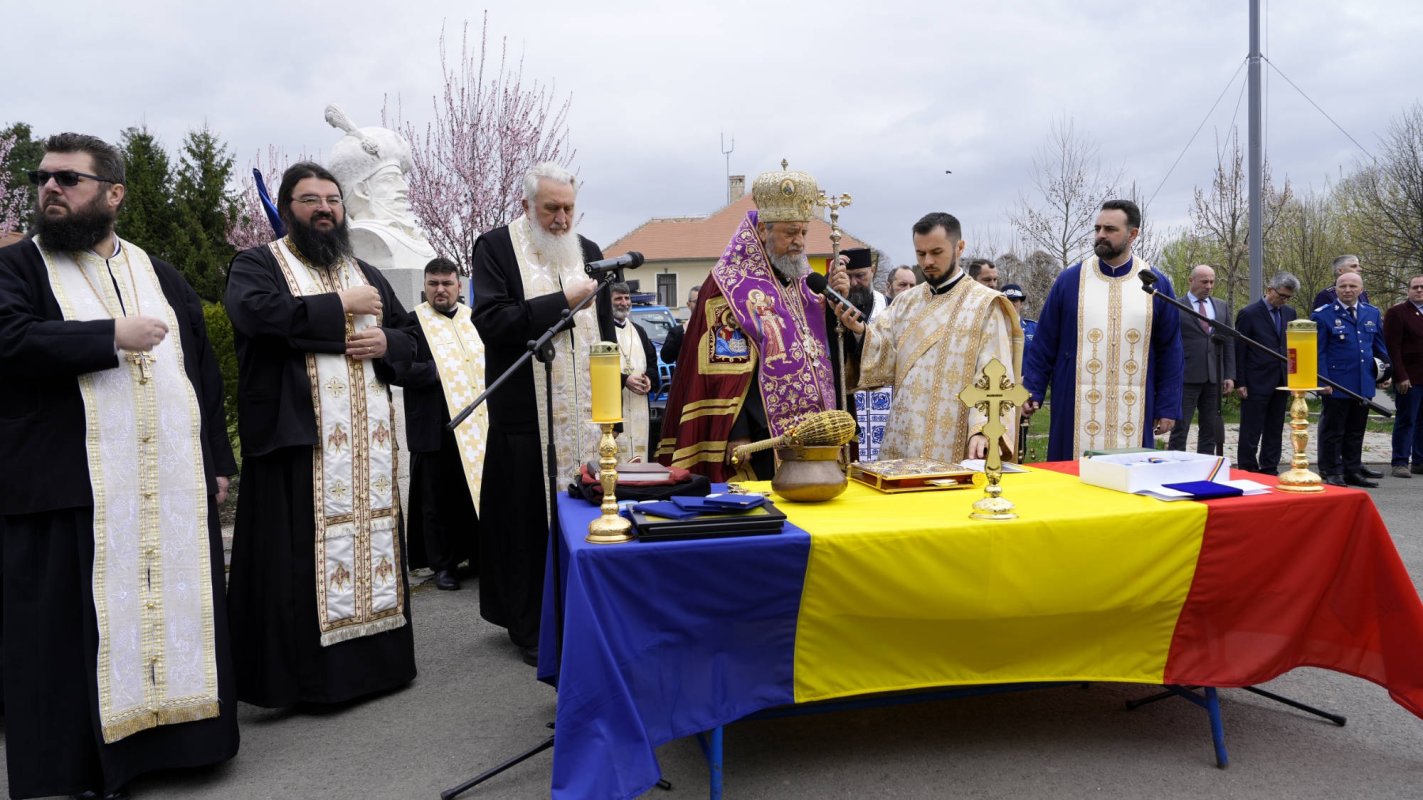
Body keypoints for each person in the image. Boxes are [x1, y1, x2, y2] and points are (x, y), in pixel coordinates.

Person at [0, 132, 238, 798]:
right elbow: (7, 339)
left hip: (164, 486)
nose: (50, 187)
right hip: (63, 485)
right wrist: (107, 336)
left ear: (112, 194)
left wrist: (217, 461)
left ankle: (179, 747)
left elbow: (203, 374)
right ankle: (75, 769)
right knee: (65, 635)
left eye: (68, 179)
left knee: (171, 610)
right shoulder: (17, 266)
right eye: (43, 177)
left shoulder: (158, 273)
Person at [225, 162, 418, 707]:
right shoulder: (257, 263)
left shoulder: (366, 273)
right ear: (288, 209)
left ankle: (377, 669)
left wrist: (386, 346)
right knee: (295, 566)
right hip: (299, 445)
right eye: (310, 200)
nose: (325, 209)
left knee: (371, 547)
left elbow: (410, 338)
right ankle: (304, 684)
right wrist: (340, 309)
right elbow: (256, 317)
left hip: (367, 450)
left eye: (332, 199)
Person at [470, 162, 616, 666]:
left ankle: (586, 611)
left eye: (568, 208)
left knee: (587, 515)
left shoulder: (590, 253)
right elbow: (491, 322)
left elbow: (606, 340)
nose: (560, 219)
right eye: (551, 209)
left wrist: (610, 410)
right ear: (527, 206)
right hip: (525, 421)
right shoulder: (495, 247)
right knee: (526, 524)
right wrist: (560, 302)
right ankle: (532, 626)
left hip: (586, 418)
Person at [658, 161, 837, 481]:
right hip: (760, 435)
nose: (799, 241)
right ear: (763, 230)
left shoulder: (802, 281)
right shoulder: (730, 285)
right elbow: (722, 368)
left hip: (809, 433)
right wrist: (736, 432)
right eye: (790, 232)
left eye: (804, 232)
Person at [833, 212, 1022, 462]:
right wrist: (858, 332)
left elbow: (994, 375)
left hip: (954, 441)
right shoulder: (905, 303)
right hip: (905, 437)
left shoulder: (985, 304)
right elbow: (880, 353)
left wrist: (984, 430)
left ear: (960, 248)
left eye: (936, 252)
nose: (927, 261)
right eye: (920, 254)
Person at [1022, 199, 1184, 460]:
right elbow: (1045, 341)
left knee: (1129, 481)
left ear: (1132, 234)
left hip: (1135, 405)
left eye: (1110, 229)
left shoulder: (1155, 283)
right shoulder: (1070, 280)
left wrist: (1167, 406)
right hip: (1074, 403)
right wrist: (1033, 389)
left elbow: (1170, 350)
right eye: (1097, 229)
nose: (1100, 235)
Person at [401, 257, 485, 591]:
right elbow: (399, 368)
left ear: (459, 286)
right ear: (425, 285)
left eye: (447, 284)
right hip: (434, 426)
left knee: (473, 493)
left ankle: (478, 555)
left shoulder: (474, 319)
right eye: (433, 283)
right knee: (436, 500)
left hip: (477, 426)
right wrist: (439, 372)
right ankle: (443, 565)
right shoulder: (411, 322)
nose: (440, 290)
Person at [1312, 271, 1390, 487]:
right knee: (1334, 430)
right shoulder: (1323, 314)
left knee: (1356, 430)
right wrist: (1322, 382)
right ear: (1335, 289)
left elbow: (1379, 347)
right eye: (1342, 286)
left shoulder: (1371, 313)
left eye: (1352, 286)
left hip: (1363, 381)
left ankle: (1352, 470)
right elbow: (1319, 352)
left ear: (1361, 290)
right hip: (1336, 383)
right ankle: (1332, 470)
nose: (1347, 290)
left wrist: (1385, 372)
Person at [1233, 272, 1300, 475]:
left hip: (1281, 379)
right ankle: (1247, 468)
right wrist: (1240, 382)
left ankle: (1269, 467)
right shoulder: (1249, 313)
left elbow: (1291, 346)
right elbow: (1240, 350)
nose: (1284, 300)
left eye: (1288, 297)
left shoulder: (1290, 314)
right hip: (1256, 380)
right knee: (1251, 429)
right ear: (1270, 290)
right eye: (1281, 295)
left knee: (1275, 428)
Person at [1169, 265, 1236, 455]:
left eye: (1212, 282)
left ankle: (1205, 467)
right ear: (1191, 281)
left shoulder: (1221, 306)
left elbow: (1229, 341)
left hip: (1214, 378)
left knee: (1210, 429)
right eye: (1204, 281)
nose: (1209, 286)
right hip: (1186, 376)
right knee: (1180, 428)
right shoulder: (1176, 305)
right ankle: (1176, 467)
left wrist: (1230, 374)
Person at [610, 281, 659, 461]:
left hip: (640, 406)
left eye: (627, 298)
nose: (624, 303)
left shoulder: (639, 331)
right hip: (615, 407)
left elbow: (652, 365)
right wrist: (624, 380)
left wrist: (649, 380)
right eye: (618, 298)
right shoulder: (602, 330)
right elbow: (596, 370)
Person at [1384, 274, 1423, 478]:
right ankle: (1400, 461)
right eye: (1415, 287)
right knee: (1406, 420)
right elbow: (1393, 347)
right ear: (1408, 290)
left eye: (1422, 287)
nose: (1419, 290)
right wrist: (1400, 376)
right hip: (1409, 378)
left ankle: (1420, 460)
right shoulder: (1397, 313)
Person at [839, 247, 886, 321]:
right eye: (848, 276)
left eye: (860, 275)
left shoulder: (887, 305)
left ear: (872, 271)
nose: (853, 283)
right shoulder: (833, 305)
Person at [661, 285, 699, 365]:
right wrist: (683, 333)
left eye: (703, 301)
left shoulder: (715, 330)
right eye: (696, 302)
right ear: (688, 304)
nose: (700, 305)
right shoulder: (677, 332)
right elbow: (666, 358)